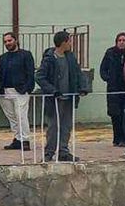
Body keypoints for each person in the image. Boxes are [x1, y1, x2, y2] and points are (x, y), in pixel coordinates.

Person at [35, 30, 87, 162]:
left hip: (69, 97)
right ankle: (49, 152)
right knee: (53, 127)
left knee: (66, 126)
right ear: (63, 42)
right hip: (55, 99)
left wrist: (83, 87)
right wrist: (53, 90)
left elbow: (78, 73)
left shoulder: (71, 57)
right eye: (69, 41)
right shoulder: (49, 58)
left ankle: (63, 151)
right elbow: (39, 77)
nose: (70, 44)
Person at [0, 31, 35, 150]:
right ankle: (18, 139)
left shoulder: (26, 55)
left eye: (9, 40)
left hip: (20, 90)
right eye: (5, 41)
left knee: (21, 115)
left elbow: (30, 73)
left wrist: (28, 88)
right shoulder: (3, 57)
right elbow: (0, 74)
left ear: (16, 40)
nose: (7, 43)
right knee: (11, 117)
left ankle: (25, 139)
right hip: (4, 90)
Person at [99, 32, 125, 147]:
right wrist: (108, 79)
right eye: (119, 40)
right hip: (113, 89)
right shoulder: (110, 53)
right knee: (115, 114)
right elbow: (103, 69)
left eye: (124, 40)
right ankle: (117, 138)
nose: (121, 42)